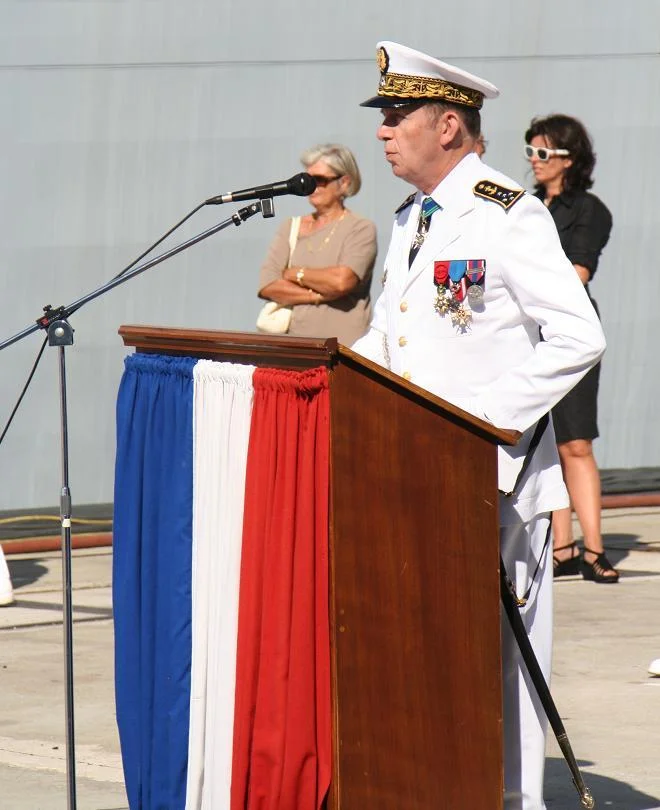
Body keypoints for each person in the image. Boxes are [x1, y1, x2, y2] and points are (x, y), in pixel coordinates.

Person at [352, 41, 605, 810]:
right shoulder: (410, 218)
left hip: (489, 479)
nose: (384, 131)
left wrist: (480, 421)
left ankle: (514, 800)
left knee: (503, 669)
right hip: (413, 474)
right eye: (385, 116)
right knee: (427, 660)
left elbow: (579, 336)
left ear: (450, 128)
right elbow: (393, 339)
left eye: (399, 116)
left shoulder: (508, 214)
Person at [524, 115, 618, 584]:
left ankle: (594, 549)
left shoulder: (589, 209)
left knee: (576, 442)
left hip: (572, 331)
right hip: (530, 331)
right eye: (531, 151)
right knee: (545, 441)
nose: (534, 161)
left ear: (570, 159)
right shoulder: (525, 207)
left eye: (544, 153)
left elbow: (579, 271)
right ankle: (560, 547)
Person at [258, 143, 377, 346]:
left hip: (344, 349)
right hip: (294, 347)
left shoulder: (360, 228)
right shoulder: (291, 227)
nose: (310, 187)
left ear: (344, 183)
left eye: (319, 180)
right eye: (308, 180)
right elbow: (268, 285)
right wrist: (320, 294)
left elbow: (341, 282)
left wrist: (295, 273)